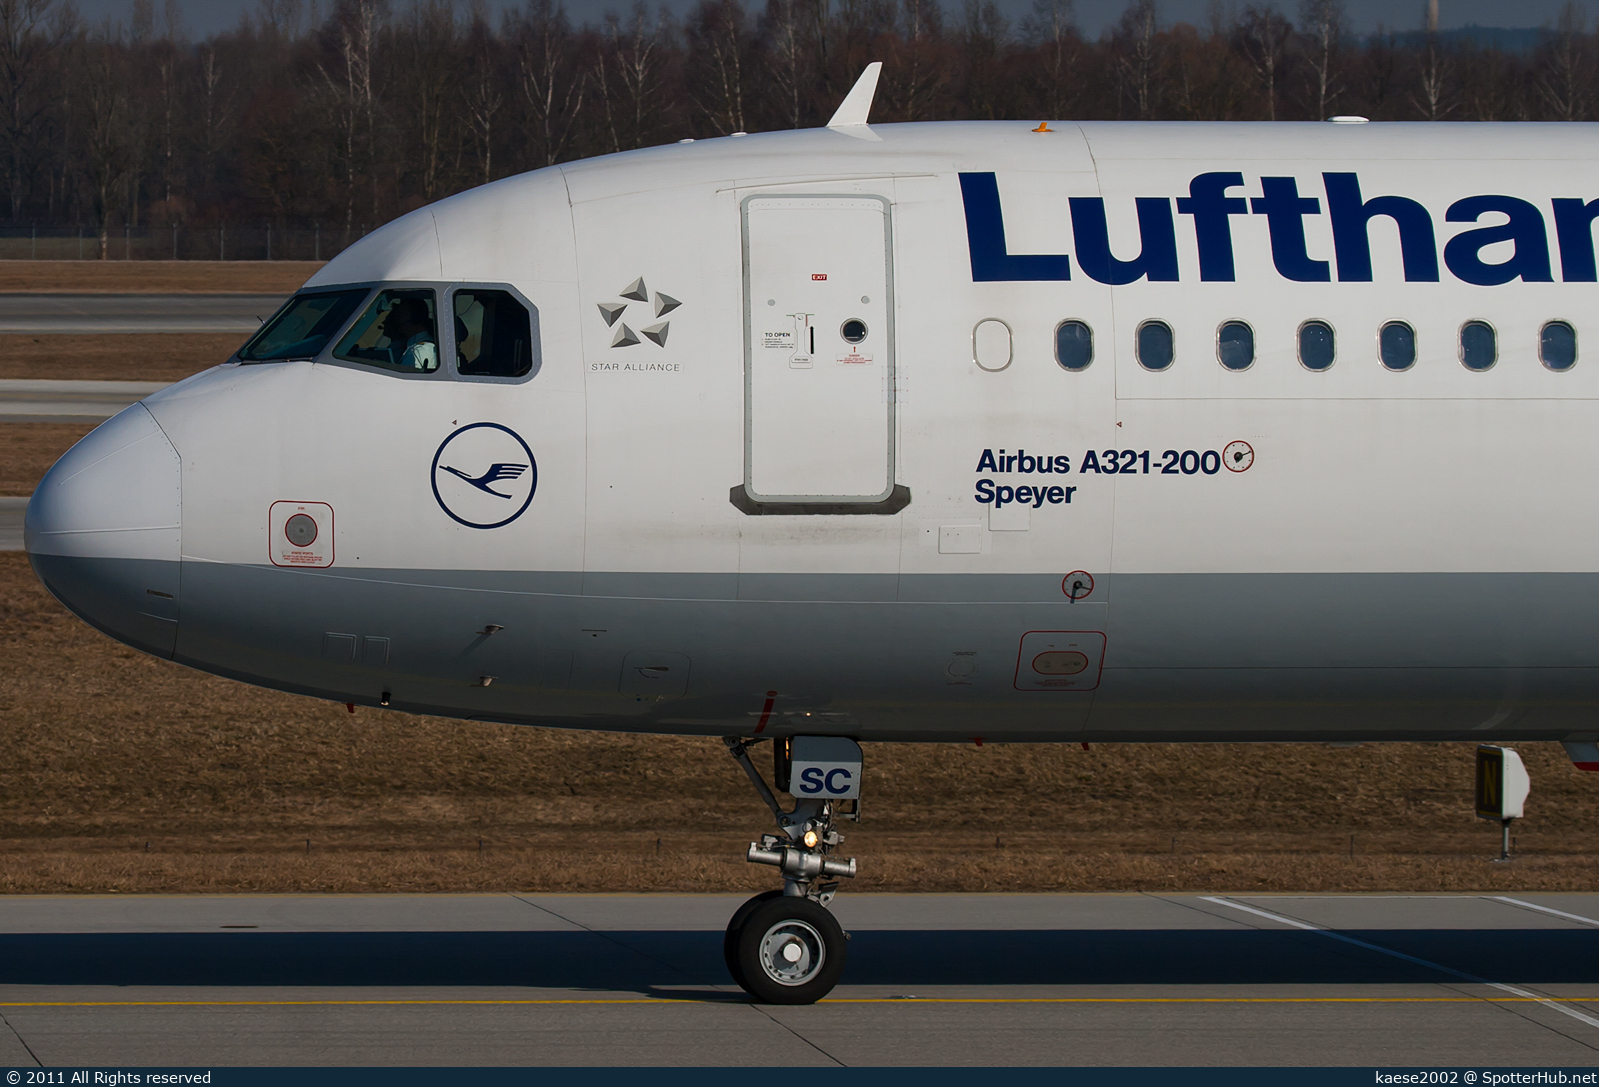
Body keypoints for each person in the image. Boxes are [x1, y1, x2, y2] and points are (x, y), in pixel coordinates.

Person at [381, 297, 438, 371]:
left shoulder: (419, 351)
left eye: (401, 315)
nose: (396, 320)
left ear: (416, 318)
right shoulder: (410, 347)